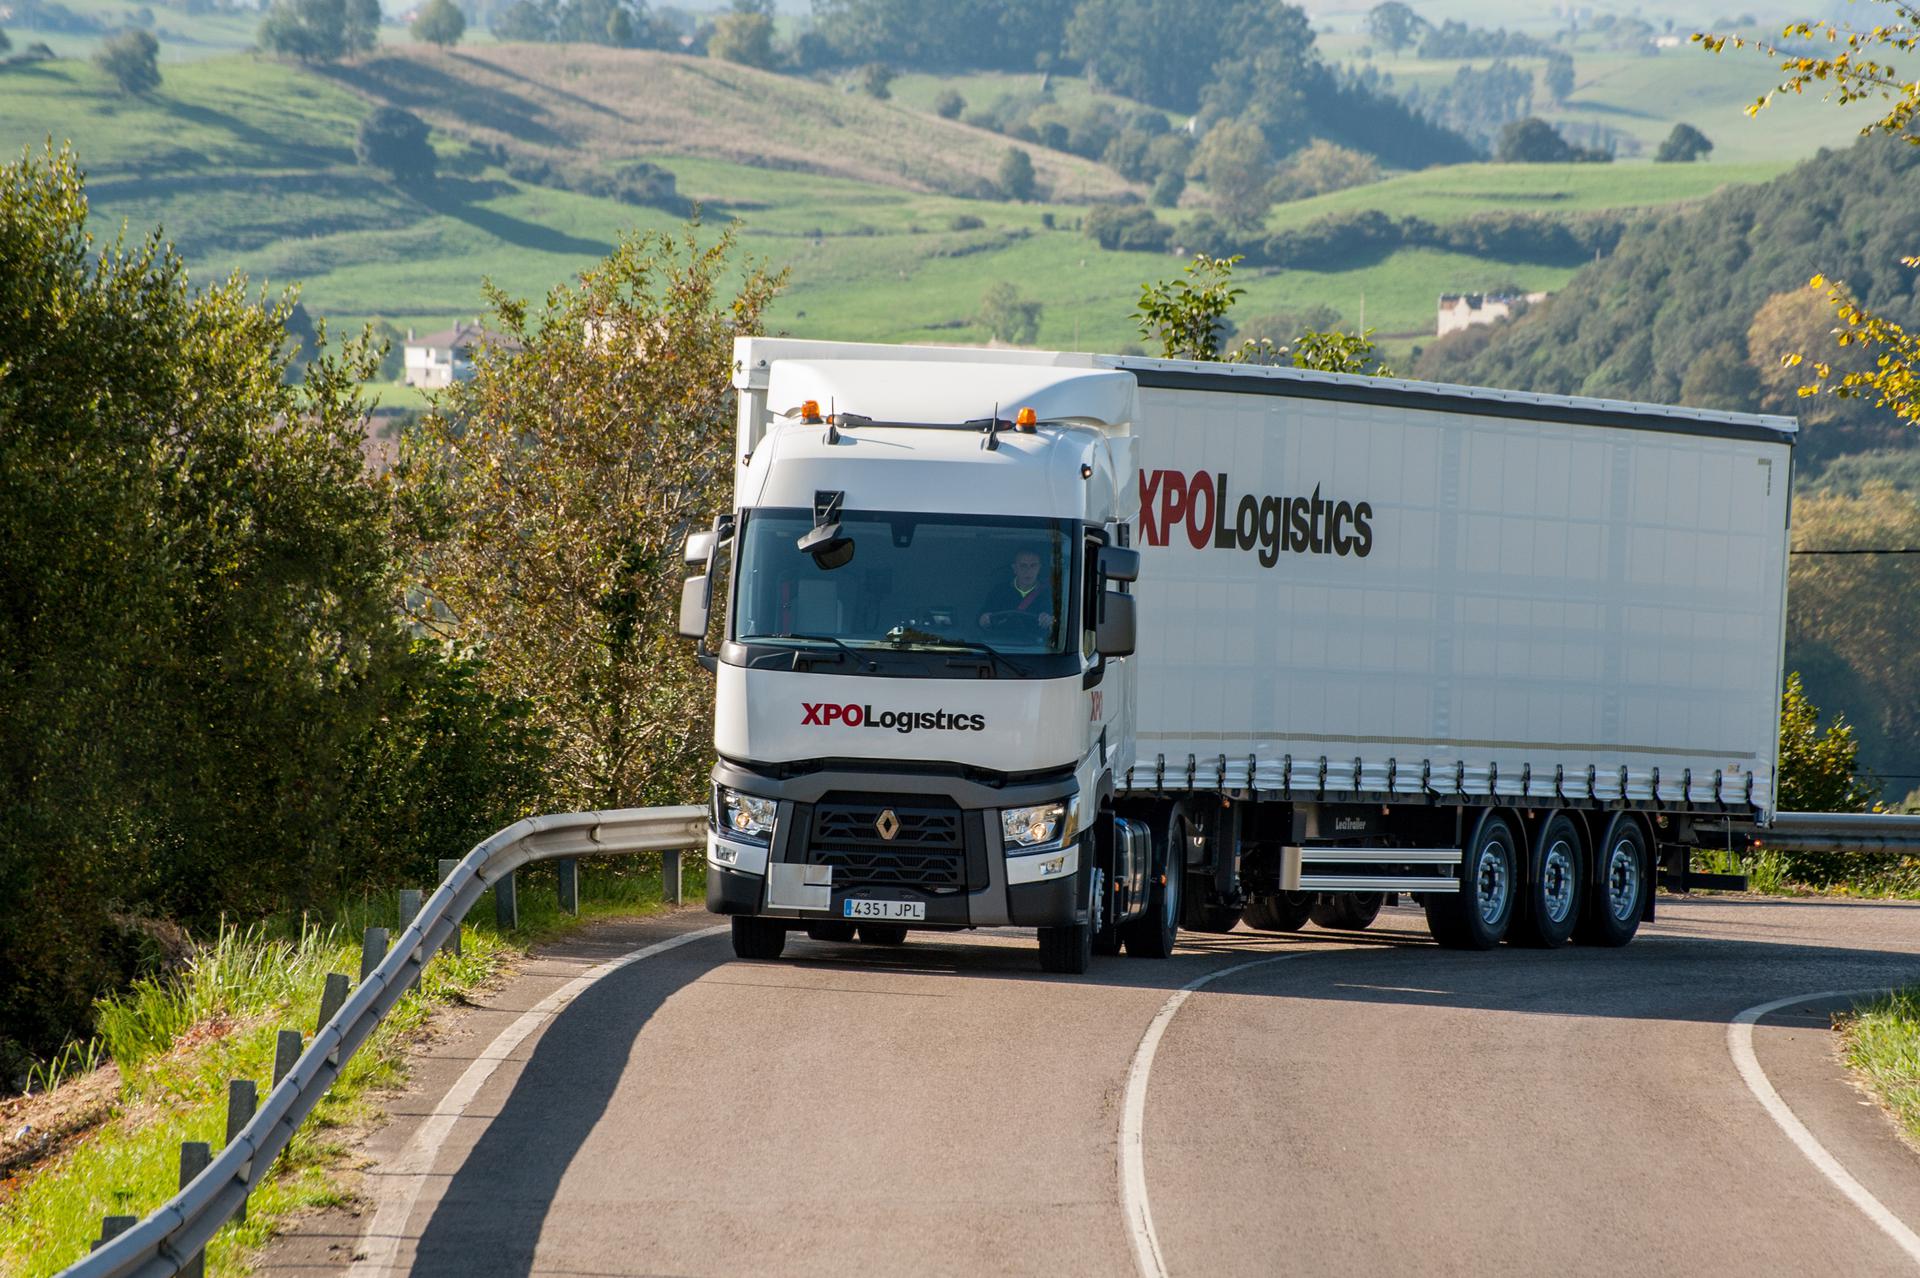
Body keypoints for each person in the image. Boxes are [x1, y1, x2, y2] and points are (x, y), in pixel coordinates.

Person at [977, 546, 1056, 636]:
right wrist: (983, 619)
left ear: (1039, 568)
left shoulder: (1050, 594)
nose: (1028, 571)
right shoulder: (999, 591)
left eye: (1033, 565)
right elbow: (981, 618)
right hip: (1000, 644)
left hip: (1036, 646)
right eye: (1023, 566)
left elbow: (1059, 623)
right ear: (1014, 568)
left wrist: (1049, 620)